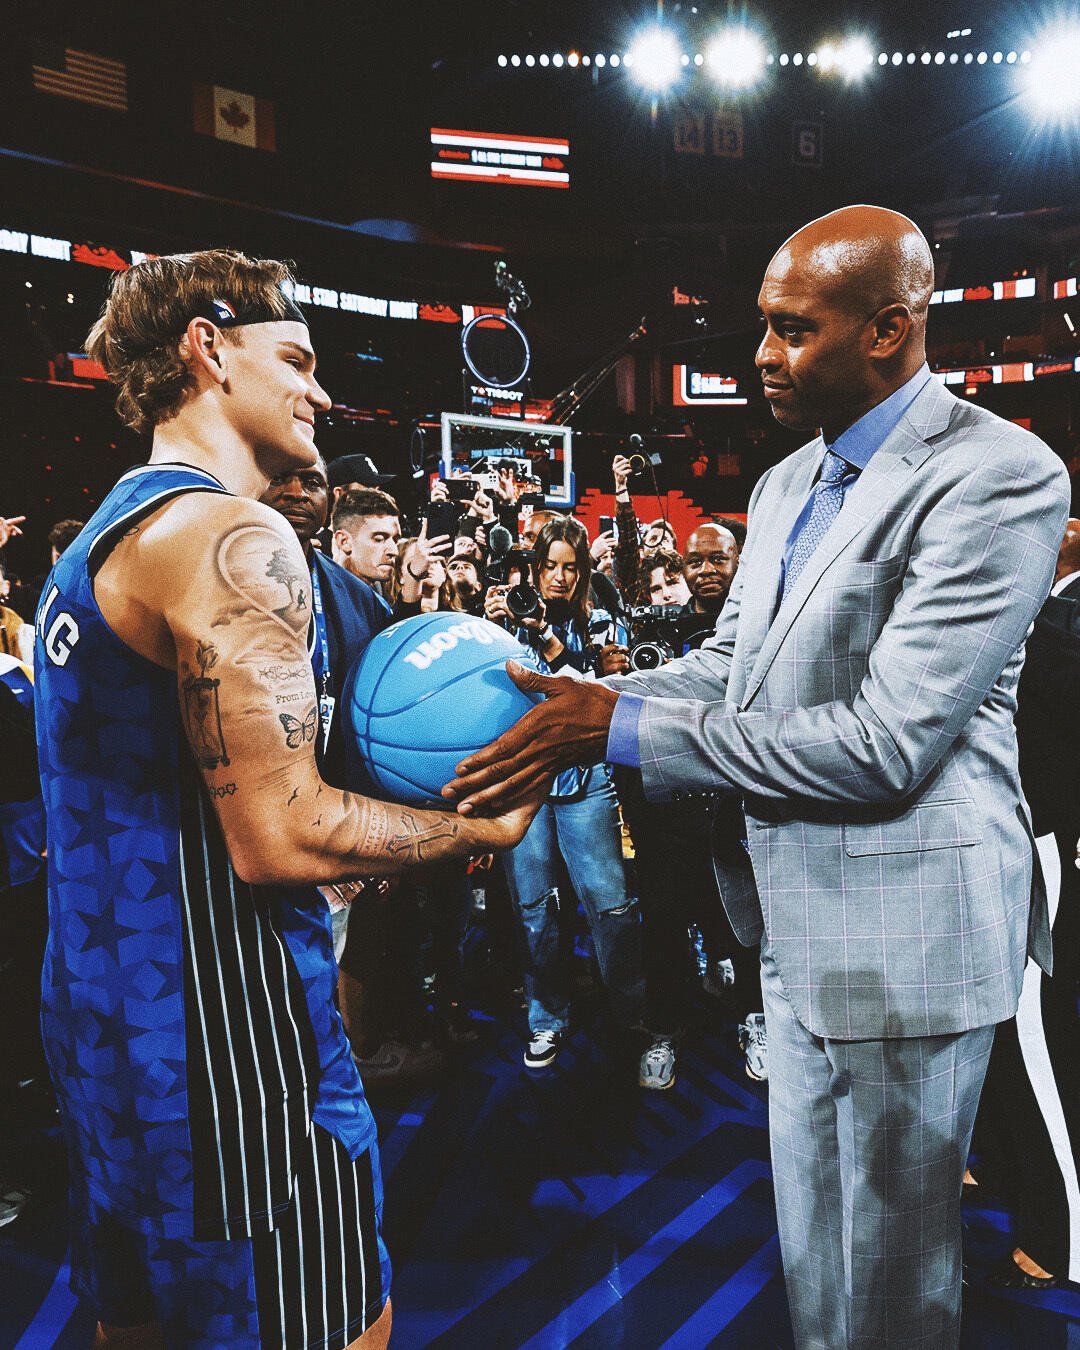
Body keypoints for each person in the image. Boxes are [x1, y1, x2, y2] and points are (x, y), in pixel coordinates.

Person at [444, 205, 1071, 1347]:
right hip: (786, 920)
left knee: (891, 1280)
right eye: (763, 329)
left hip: (912, 935)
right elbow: (731, 667)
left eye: (791, 330)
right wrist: (578, 693)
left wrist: (621, 733)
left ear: (889, 330)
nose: (762, 356)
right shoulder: (784, 484)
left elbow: (888, 742)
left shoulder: (1000, 475)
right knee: (816, 1258)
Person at [35, 248, 542, 1350]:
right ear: (208, 349)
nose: (321, 391)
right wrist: (481, 824)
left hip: (107, 1030)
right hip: (233, 1048)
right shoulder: (231, 536)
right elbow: (281, 835)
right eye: (298, 360)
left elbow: (177, 815)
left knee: (144, 1324)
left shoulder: (94, 540)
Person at [484, 516, 643, 1070]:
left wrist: (549, 641)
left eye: (569, 569)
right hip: (523, 780)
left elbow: (599, 697)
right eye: (548, 567)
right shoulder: (505, 622)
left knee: (610, 904)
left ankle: (632, 1015)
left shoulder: (603, 624)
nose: (556, 579)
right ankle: (545, 1015)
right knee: (533, 909)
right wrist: (493, 629)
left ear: (583, 573)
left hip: (584, 779)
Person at [972, 518, 1080, 1289]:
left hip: (1049, 844)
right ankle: (1009, 1170)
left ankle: (1067, 1235)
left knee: (1037, 1036)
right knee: (1004, 1027)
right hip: (1011, 838)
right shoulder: (1042, 613)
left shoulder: (1064, 622)